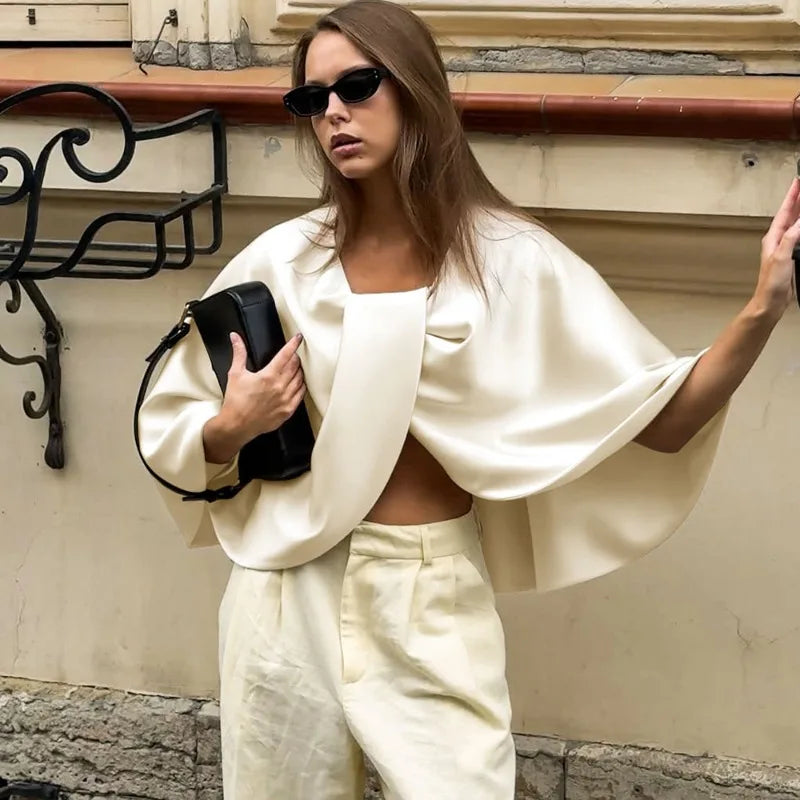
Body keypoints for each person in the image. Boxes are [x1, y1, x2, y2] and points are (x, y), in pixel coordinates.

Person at [136, 1, 800, 797]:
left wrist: (762, 308)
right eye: (312, 99)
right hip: (284, 590)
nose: (335, 112)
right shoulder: (280, 262)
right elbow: (176, 427)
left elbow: (664, 421)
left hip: (427, 590)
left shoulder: (511, 261)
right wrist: (231, 426)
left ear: (416, 88)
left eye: (358, 86)